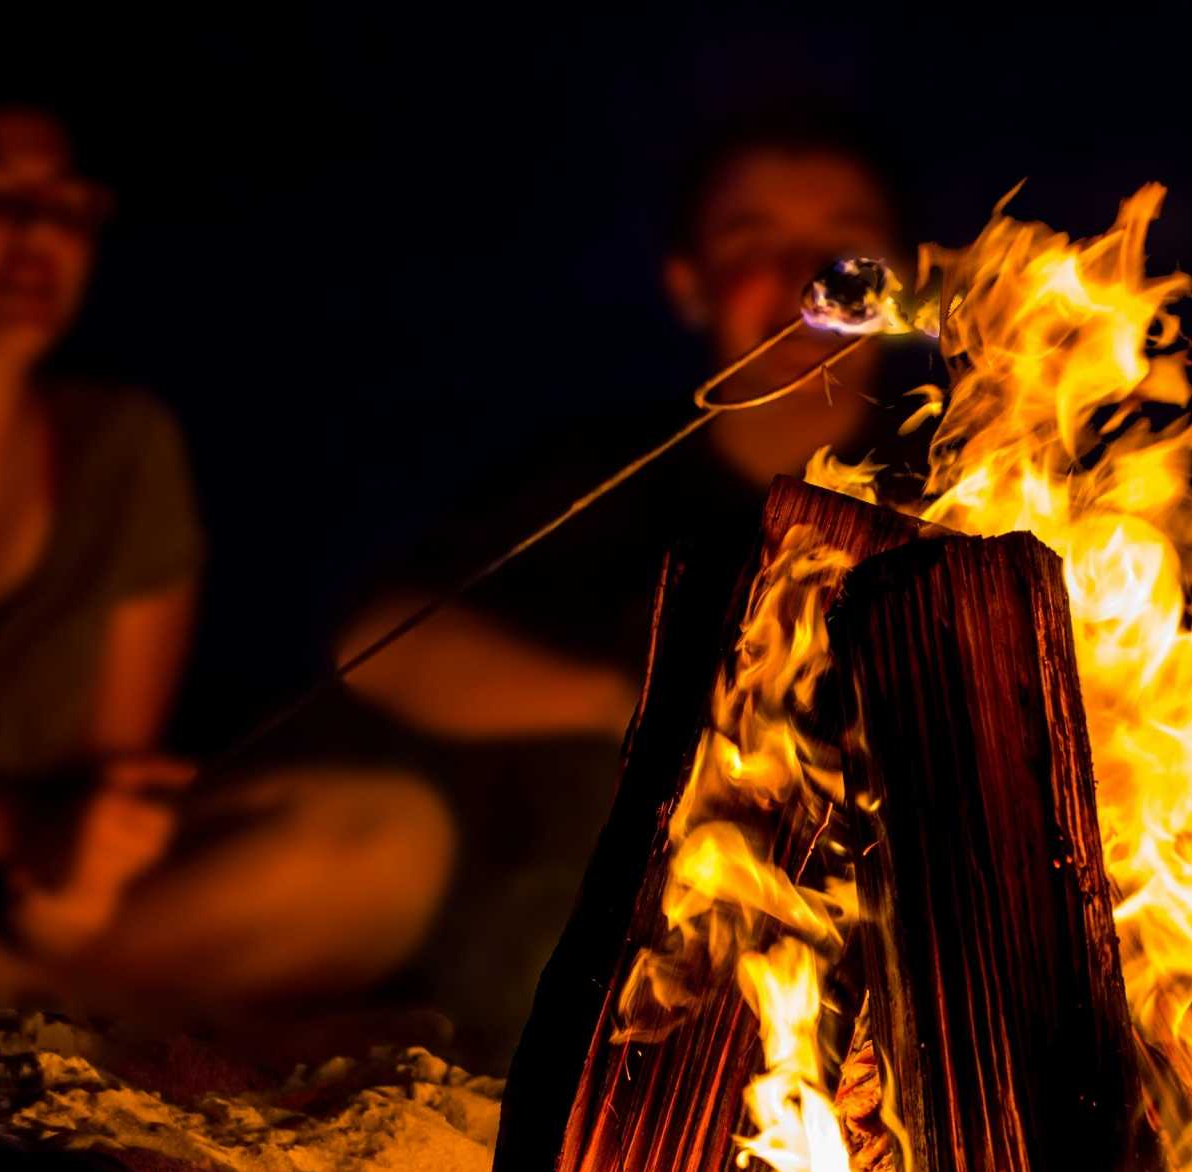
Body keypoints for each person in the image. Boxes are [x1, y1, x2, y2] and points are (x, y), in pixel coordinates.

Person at [336, 111, 926, 1067]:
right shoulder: (610, 478)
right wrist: (628, 711)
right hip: (558, 984)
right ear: (689, 286)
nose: (806, 288)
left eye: (844, 251)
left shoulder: (967, 500)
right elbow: (382, 645)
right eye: (753, 242)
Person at [0, 98, 453, 1016]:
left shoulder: (120, 447)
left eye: (66, 205)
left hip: (39, 916)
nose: (35, 228)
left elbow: (114, 777)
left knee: (392, 836)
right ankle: (25, 1013)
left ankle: (10, 1002)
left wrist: (82, 877)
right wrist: (23, 826)